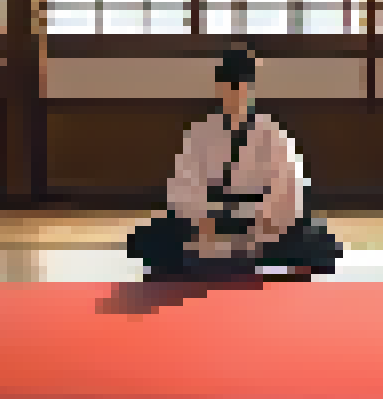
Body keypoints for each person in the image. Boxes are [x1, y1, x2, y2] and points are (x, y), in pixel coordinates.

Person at [125, 42, 345, 281]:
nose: (236, 94)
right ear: (219, 89)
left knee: (320, 241)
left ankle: (226, 256)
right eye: (230, 87)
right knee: (149, 237)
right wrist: (204, 221)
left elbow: (290, 186)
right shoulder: (201, 132)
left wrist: (261, 222)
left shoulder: (272, 133)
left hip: (261, 222)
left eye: (241, 87)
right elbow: (183, 185)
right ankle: (234, 255)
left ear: (250, 90)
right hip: (210, 220)